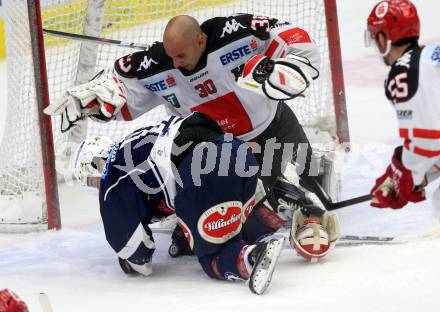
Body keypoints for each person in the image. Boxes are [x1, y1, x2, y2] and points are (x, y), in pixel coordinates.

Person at [45, 13, 328, 213]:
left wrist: (291, 67)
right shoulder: (158, 64)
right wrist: (98, 102)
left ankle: (317, 174)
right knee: (249, 215)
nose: (175, 63)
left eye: (181, 55)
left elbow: (292, 37)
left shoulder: (235, 33)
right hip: (226, 153)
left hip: (274, 127)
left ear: (201, 40)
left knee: (317, 192)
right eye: (171, 56)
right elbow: (122, 90)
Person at [72, 112, 339, 294]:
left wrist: (131, 260)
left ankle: (250, 257)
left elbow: (137, 256)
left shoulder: (112, 177)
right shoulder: (137, 140)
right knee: (217, 229)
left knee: (212, 256)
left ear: (96, 164)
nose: (94, 186)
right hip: (234, 151)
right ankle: (274, 207)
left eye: (89, 179)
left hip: (202, 173)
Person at [365, 0, 440, 209]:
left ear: (382, 38)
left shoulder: (403, 73)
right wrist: (413, 175)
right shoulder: (431, 56)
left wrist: (406, 175)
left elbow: (429, 141)